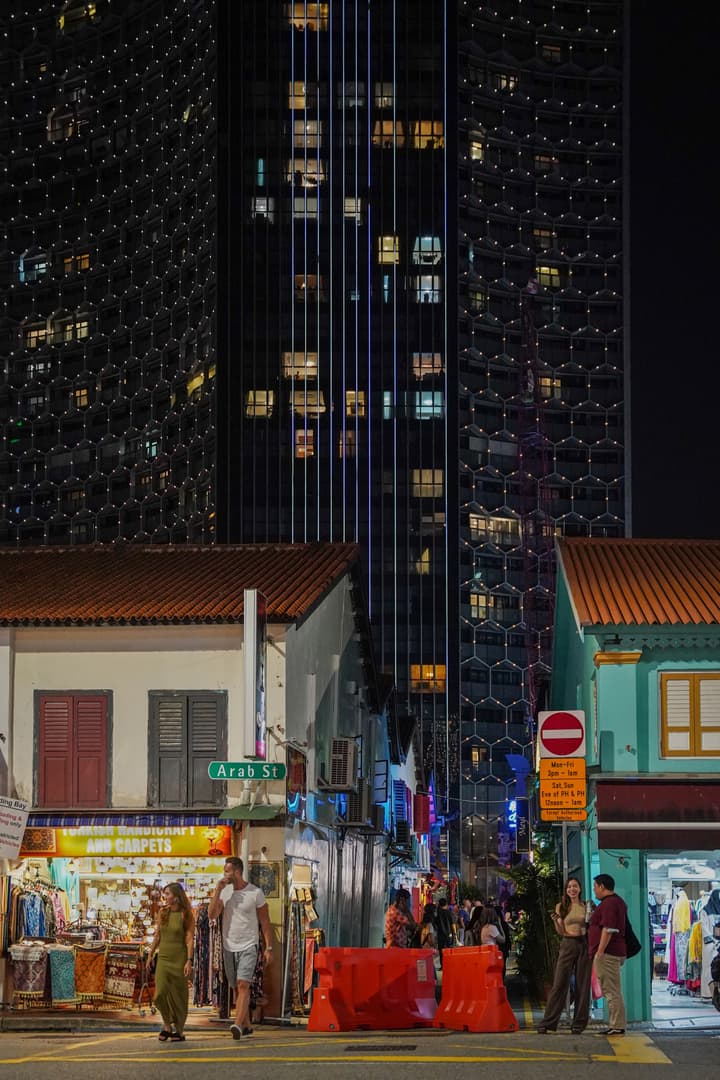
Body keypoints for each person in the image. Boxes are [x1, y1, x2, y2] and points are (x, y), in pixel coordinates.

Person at [208, 856, 274, 1040]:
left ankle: (237, 1025)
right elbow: (212, 915)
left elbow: (265, 921)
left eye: (227, 871)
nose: (225, 874)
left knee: (243, 983)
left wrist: (268, 947)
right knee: (235, 987)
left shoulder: (255, 893)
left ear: (237, 871)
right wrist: (218, 890)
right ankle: (246, 1024)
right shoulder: (225, 892)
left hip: (249, 944)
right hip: (229, 945)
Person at [537, 877, 592, 1035]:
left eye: (575, 886)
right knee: (559, 984)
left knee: (583, 984)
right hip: (567, 943)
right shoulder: (561, 906)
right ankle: (548, 1022)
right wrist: (557, 921)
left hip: (584, 944)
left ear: (580, 889)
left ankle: (579, 1024)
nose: (572, 889)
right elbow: (560, 931)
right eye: (569, 887)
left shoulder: (586, 905)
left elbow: (591, 926)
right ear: (566, 890)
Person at [147, 882, 195, 1042]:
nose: (165, 897)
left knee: (179, 995)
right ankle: (167, 1023)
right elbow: (158, 936)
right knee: (159, 994)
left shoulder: (186, 914)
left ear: (176, 896)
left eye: (167, 894)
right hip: (164, 958)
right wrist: (150, 953)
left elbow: (189, 939)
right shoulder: (163, 912)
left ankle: (179, 1030)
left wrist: (189, 960)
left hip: (179, 958)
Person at [588, 873, 627, 1036]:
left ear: (602, 886)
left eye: (595, 886)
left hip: (608, 954)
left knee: (611, 990)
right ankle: (616, 1024)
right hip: (613, 952)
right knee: (613, 989)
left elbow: (609, 928)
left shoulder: (609, 904)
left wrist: (600, 951)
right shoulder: (616, 902)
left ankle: (616, 1025)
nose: (594, 890)